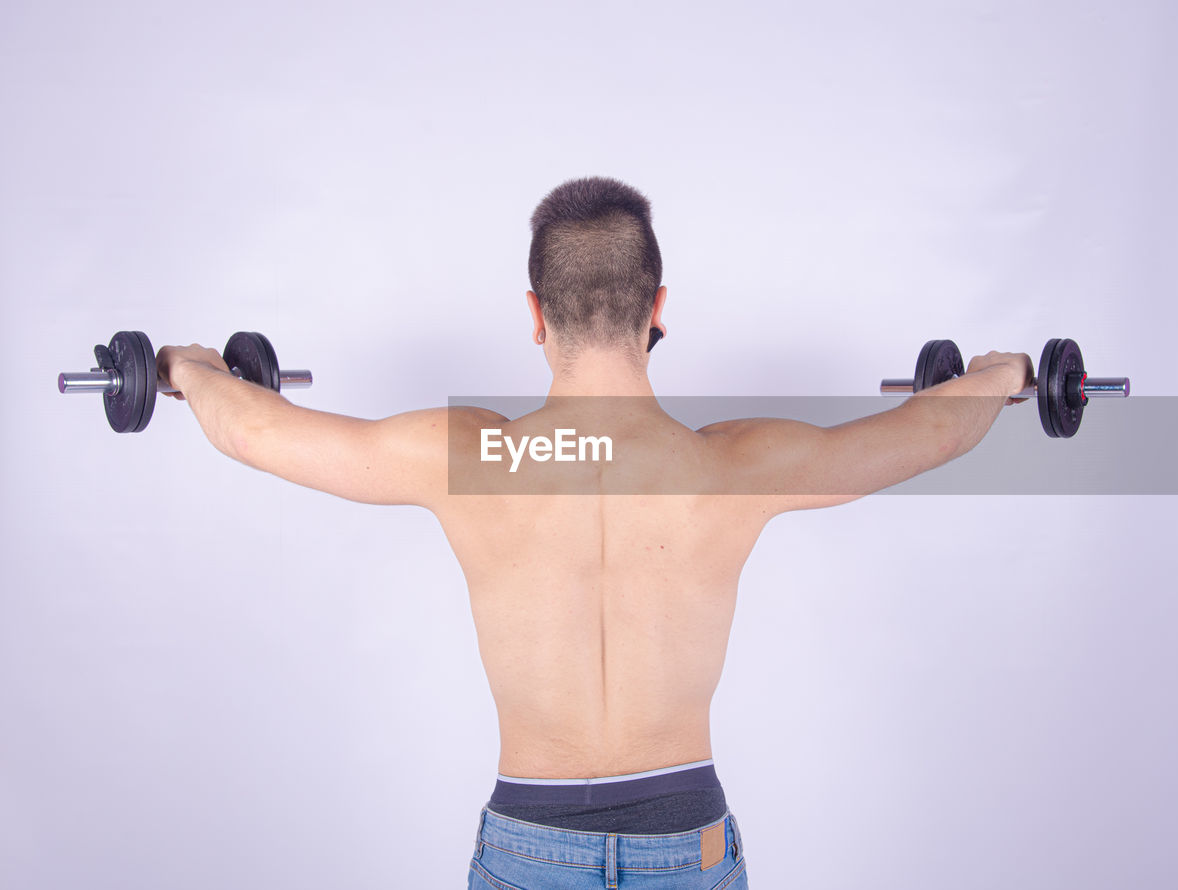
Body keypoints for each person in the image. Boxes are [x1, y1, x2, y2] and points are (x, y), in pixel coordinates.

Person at [156, 176, 1033, 889]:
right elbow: (933, 433)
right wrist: (1002, 372)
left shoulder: (468, 457)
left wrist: (188, 367)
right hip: (683, 841)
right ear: (657, 308)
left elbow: (254, 430)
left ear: (537, 316)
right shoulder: (735, 465)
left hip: (531, 846)